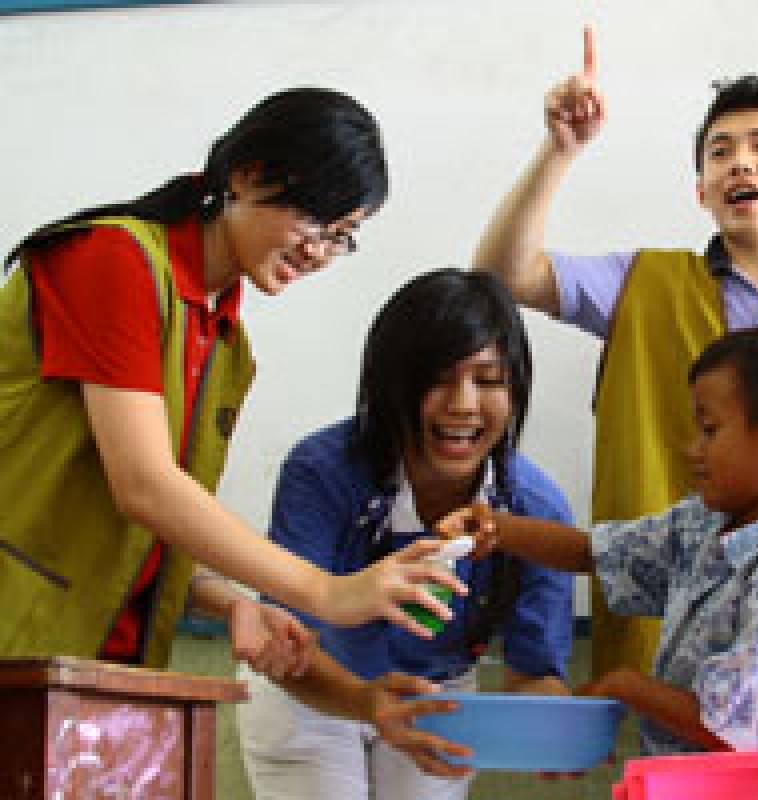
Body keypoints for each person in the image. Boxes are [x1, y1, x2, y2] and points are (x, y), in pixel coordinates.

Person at [472, 27, 758, 733]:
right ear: (701, 190)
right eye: (720, 152)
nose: (741, 163)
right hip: (666, 637)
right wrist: (560, 151)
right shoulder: (643, 283)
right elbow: (500, 275)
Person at [0, 88, 464, 672]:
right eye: (316, 218)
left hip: (101, 664)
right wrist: (325, 591)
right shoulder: (114, 258)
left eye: (340, 236)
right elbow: (143, 484)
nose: (319, 252)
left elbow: (139, 533)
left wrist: (228, 602)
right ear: (247, 175)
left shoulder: (226, 343)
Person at [442, 326, 758, 756]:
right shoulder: (706, 522)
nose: (692, 449)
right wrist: (497, 529)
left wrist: (628, 687)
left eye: (710, 429)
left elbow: (733, 728)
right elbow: (597, 551)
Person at [238, 268, 576, 800]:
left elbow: (534, 674)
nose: (463, 404)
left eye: (489, 380)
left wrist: (559, 724)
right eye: (437, 378)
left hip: (436, 695)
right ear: (389, 385)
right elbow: (286, 643)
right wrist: (365, 702)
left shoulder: (537, 510)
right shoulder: (321, 471)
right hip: (314, 691)